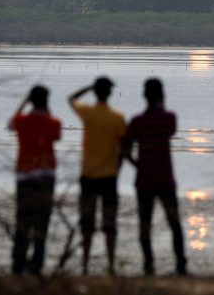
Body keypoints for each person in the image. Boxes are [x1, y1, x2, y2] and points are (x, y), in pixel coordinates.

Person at [122, 78, 187, 276]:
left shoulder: (137, 122)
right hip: (165, 179)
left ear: (144, 96)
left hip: (144, 180)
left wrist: (138, 166)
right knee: (174, 223)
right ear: (161, 95)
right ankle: (180, 266)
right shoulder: (169, 118)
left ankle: (148, 265)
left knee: (145, 225)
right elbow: (172, 130)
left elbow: (125, 150)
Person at [68, 76, 127, 275]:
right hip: (109, 177)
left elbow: (71, 99)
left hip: (89, 176)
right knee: (110, 224)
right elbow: (125, 148)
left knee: (87, 223)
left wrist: (89, 87)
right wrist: (118, 169)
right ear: (110, 93)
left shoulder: (88, 113)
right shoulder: (117, 118)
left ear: (95, 91)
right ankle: (110, 265)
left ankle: (85, 265)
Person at [8, 85, 61, 275]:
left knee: (22, 220)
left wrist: (24, 102)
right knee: (42, 221)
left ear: (32, 100)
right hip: (46, 176)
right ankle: (37, 265)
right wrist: (47, 110)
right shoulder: (53, 122)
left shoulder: (22, 120)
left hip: (25, 175)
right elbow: (57, 136)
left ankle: (18, 263)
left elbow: (11, 124)